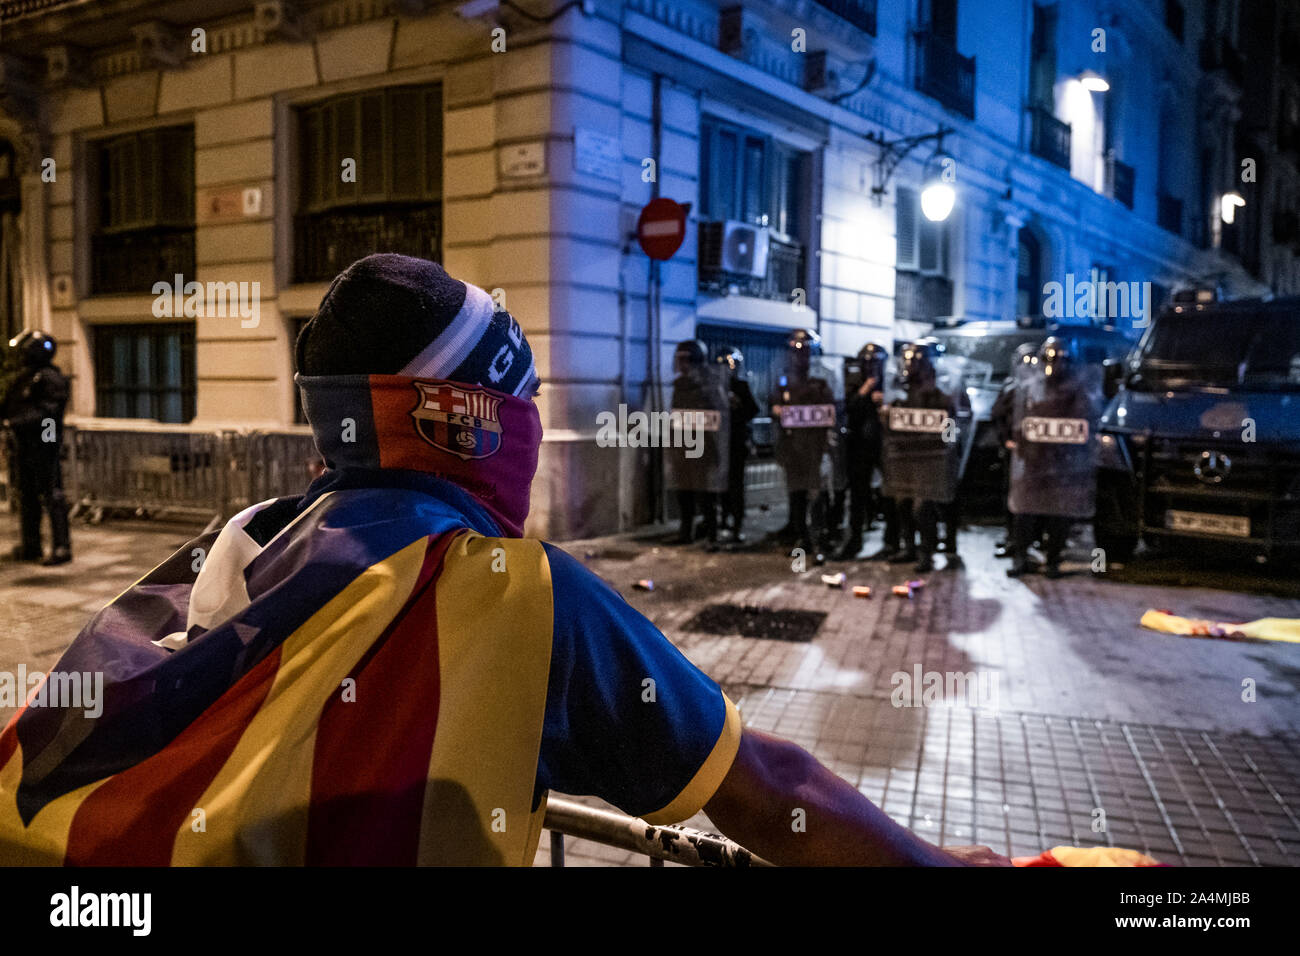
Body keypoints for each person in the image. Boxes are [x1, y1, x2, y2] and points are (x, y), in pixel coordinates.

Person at [0, 255, 1008, 867]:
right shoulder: (515, 595)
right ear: (465, 418)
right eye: (522, 405)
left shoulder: (229, 544)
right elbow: (763, 789)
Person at [1006, 336, 1102, 579]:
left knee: (1058, 514)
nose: (1054, 365)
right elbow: (1018, 418)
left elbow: (1085, 422)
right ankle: (1021, 557)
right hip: (1033, 459)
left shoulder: (1077, 389)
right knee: (1025, 513)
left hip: (1062, 460)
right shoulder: (1031, 385)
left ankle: (1053, 560)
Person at [879, 342, 961, 574]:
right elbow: (891, 422)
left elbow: (951, 424)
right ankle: (910, 548)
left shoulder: (941, 392)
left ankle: (926, 552)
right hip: (904, 455)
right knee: (903, 503)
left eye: (915, 361)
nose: (910, 365)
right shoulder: (900, 390)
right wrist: (886, 416)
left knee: (922, 507)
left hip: (930, 457)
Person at [1, 329, 71, 566]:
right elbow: (10, 405)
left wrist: (17, 422)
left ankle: (61, 547)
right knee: (27, 496)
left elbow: (49, 415)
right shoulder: (26, 378)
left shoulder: (50, 379)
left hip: (45, 447)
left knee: (53, 496)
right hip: (25, 447)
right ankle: (31, 544)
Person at [769, 329, 835, 562]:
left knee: (816, 495)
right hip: (792, 447)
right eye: (797, 352)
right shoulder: (785, 378)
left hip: (815, 448)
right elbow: (774, 401)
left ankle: (820, 539)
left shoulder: (823, 379)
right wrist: (777, 409)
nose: (800, 357)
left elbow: (832, 409)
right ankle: (803, 538)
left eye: (805, 352)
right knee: (796, 494)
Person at [667, 339, 729, 546]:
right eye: (680, 360)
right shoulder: (679, 385)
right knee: (684, 493)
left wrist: (716, 450)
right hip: (683, 445)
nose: (683, 365)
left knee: (706, 496)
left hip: (703, 448)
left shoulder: (710, 385)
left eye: (687, 360)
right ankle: (687, 532)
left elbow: (718, 416)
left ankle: (712, 535)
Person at [834, 343, 888, 561]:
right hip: (859, 445)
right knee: (857, 495)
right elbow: (846, 407)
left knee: (890, 494)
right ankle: (854, 539)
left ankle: (892, 541)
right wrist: (866, 389)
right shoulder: (853, 381)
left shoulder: (890, 383)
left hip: (883, 443)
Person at [990, 343, 1038, 559]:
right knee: (1012, 498)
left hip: (1039, 454)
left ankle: (1033, 540)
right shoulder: (1011, 387)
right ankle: (1013, 539)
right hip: (1016, 452)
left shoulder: (1047, 388)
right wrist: (1006, 441)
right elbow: (997, 414)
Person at [716, 346, 759, 542]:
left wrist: (737, 405)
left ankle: (737, 522)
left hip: (735, 441)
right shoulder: (715, 386)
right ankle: (722, 519)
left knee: (736, 485)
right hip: (718, 443)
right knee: (721, 485)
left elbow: (753, 410)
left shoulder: (740, 386)